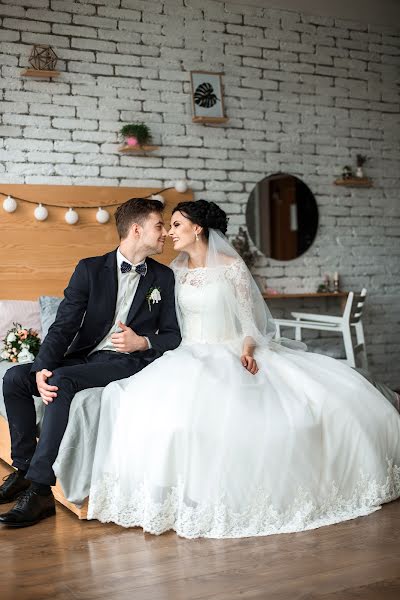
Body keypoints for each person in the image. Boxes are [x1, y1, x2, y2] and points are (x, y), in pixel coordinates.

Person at [87, 199, 400, 539]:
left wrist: (247, 350)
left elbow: (250, 324)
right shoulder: (171, 272)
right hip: (187, 353)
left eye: (176, 225)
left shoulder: (231, 267)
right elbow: (165, 324)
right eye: (167, 225)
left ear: (198, 228)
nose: (169, 232)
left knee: (318, 405)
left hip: (231, 348)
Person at [0, 198, 181, 528]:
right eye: (159, 226)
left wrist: (142, 341)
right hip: (86, 354)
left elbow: (173, 335)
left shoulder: (164, 278)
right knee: (13, 377)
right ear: (137, 230)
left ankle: (40, 490)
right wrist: (42, 366)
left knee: (61, 381)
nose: (165, 233)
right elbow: (65, 324)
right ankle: (24, 469)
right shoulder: (90, 269)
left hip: (128, 361)